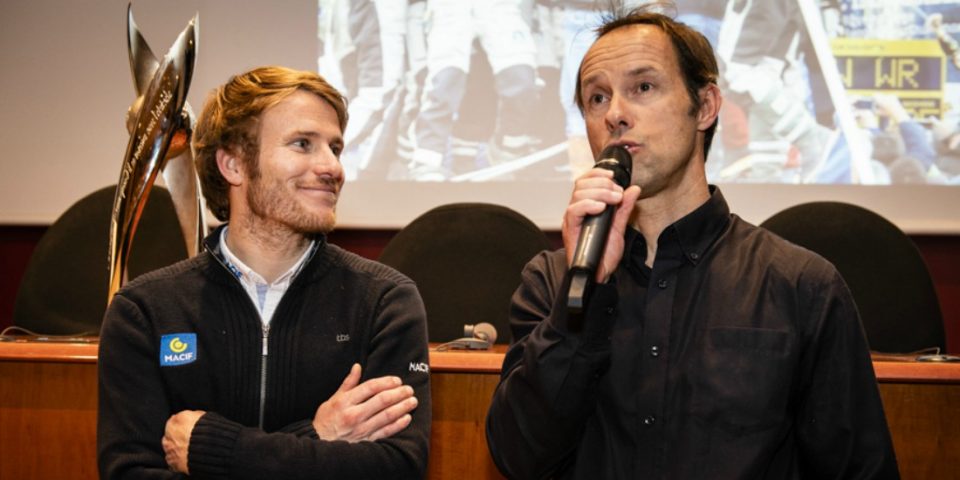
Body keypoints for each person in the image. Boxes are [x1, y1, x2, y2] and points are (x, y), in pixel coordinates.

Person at [485, 5, 899, 479]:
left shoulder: (800, 286)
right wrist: (583, 296)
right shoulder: (552, 282)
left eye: (643, 87)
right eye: (597, 98)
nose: (615, 114)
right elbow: (518, 457)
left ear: (704, 107)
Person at [97, 66, 431, 479]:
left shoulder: (384, 300)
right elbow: (130, 474)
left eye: (335, 148)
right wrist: (317, 436)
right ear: (233, 165)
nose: (332, 167)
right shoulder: (145, 311)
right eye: (303, 144)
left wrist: (212, 448)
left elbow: (397, 468)